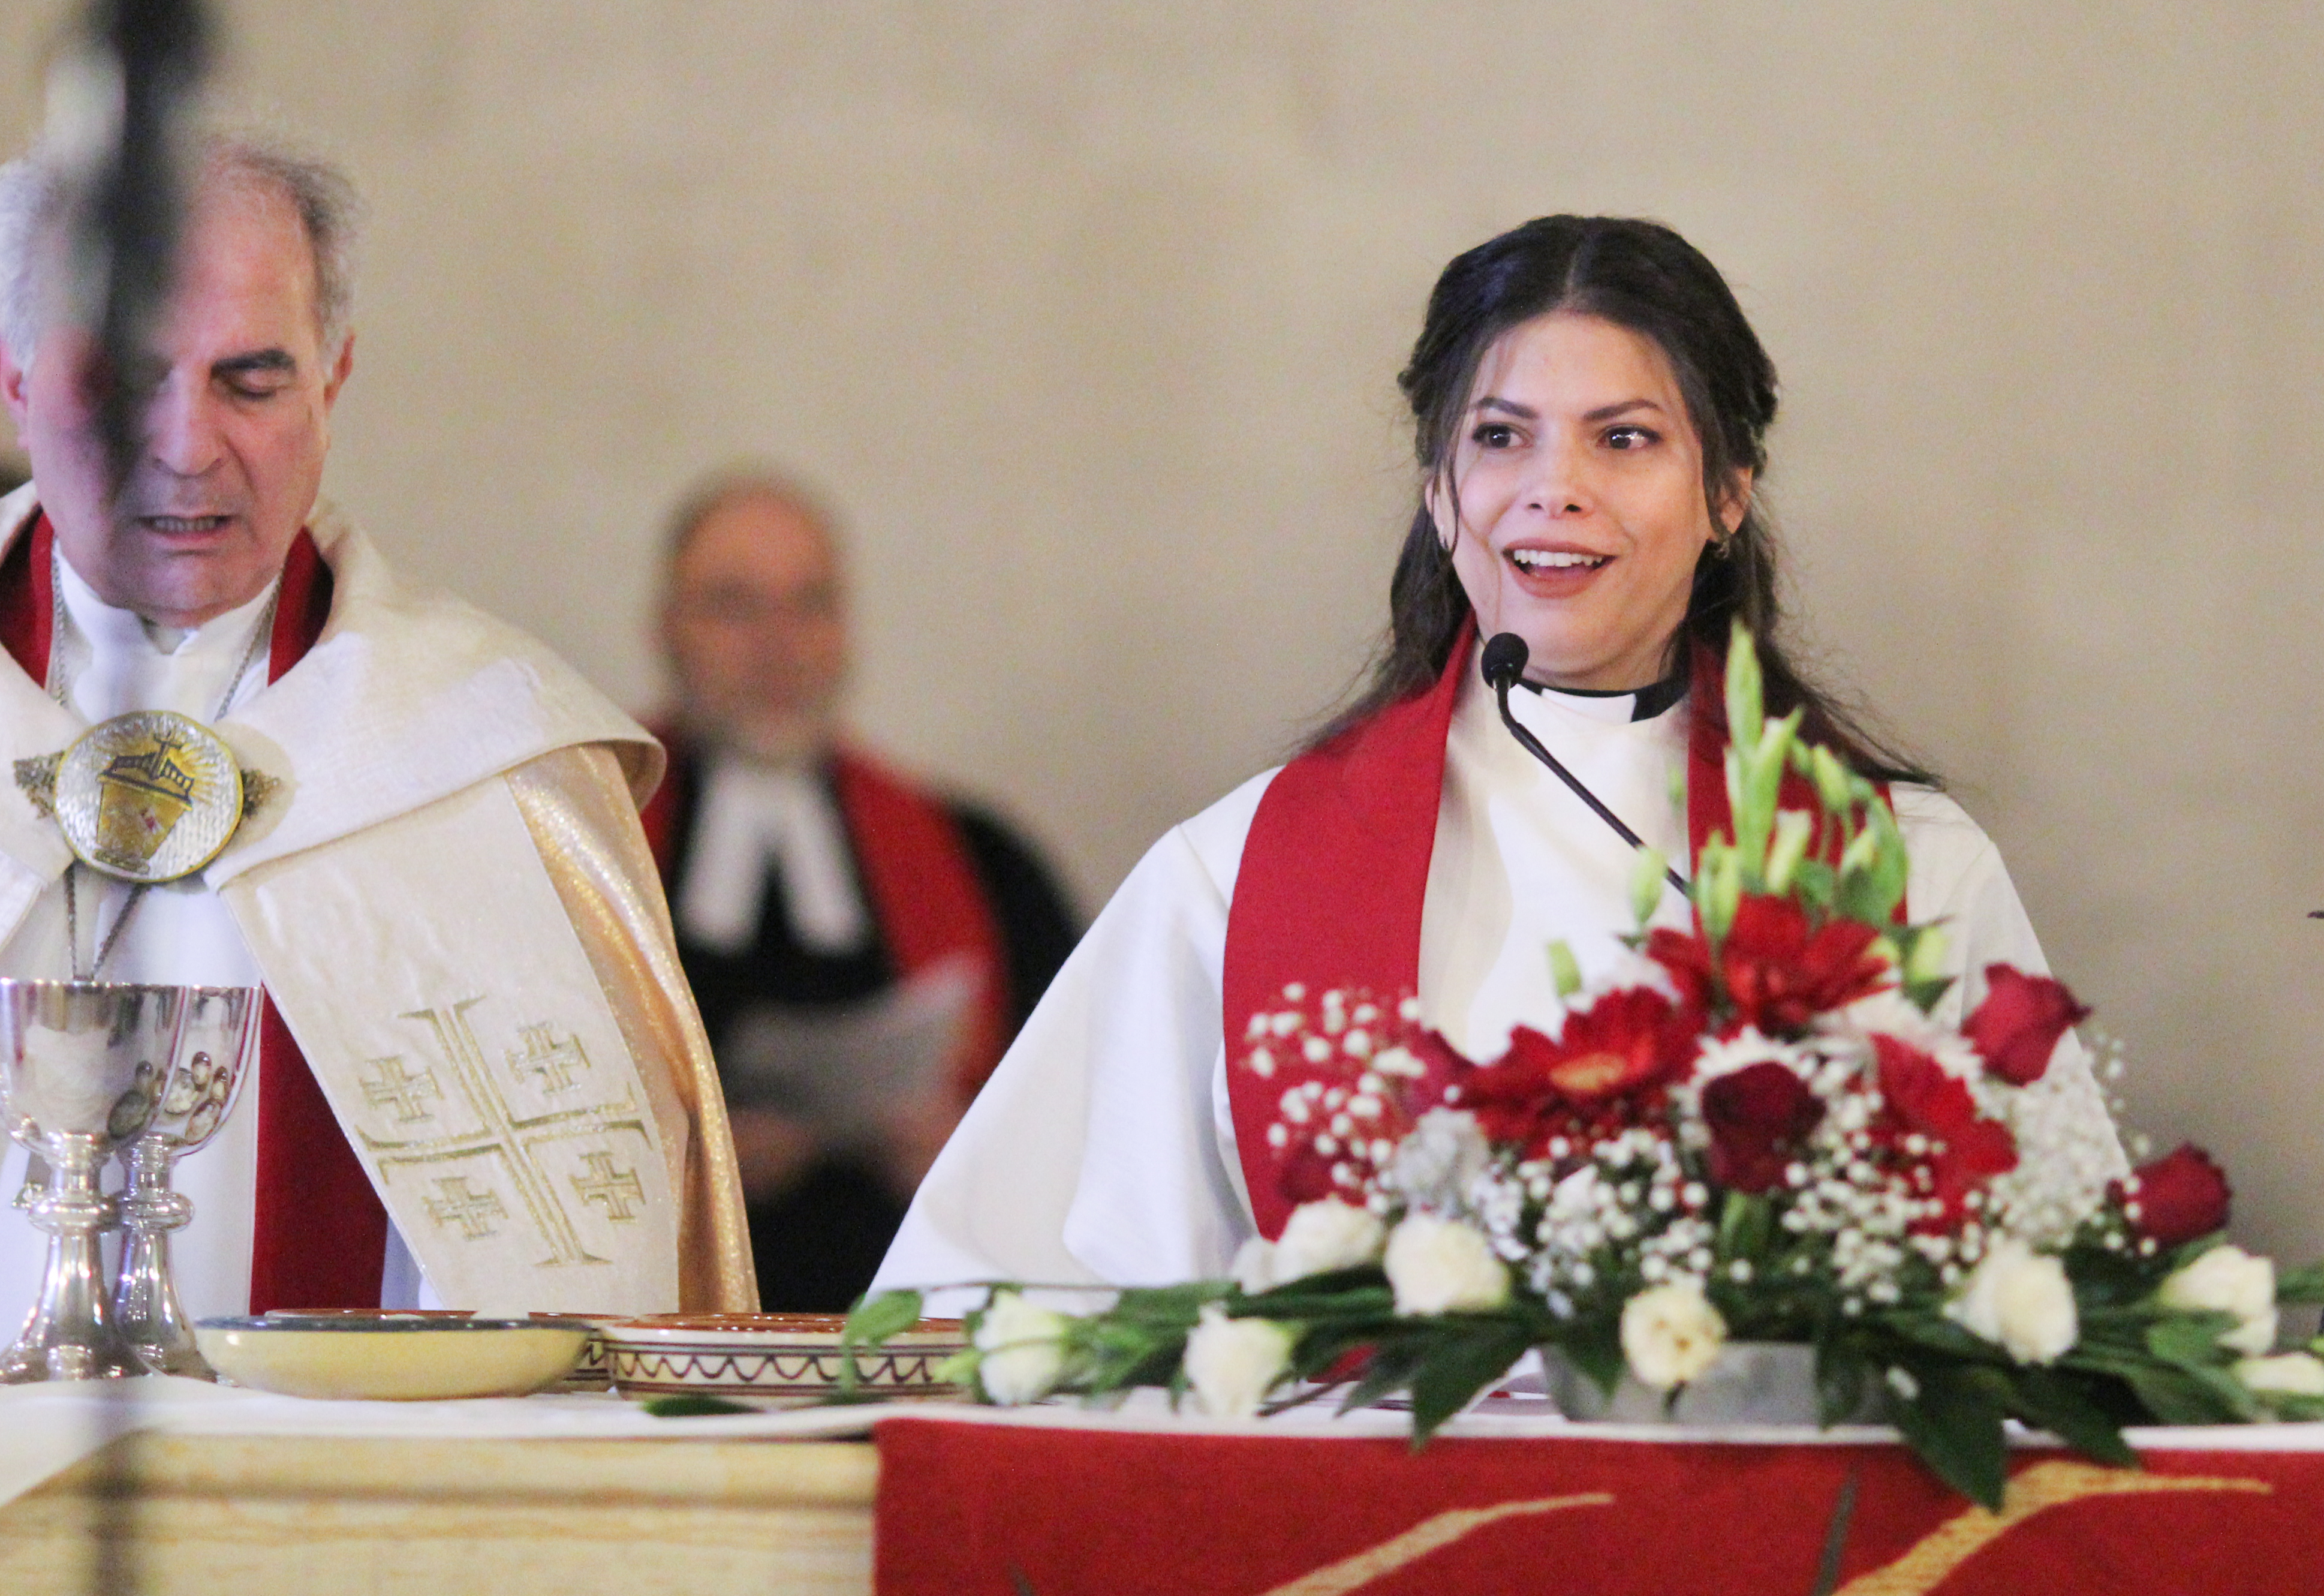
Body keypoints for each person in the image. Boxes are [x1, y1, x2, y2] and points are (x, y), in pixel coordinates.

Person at [874, 215, 2123, 1298]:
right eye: (1501, 437)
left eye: (1623, 439)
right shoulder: (1237, 876)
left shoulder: (1904, 868)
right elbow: (1012, 1298)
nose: (1552, 489)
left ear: (1729, 489)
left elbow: (2063, 1295)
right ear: (1435, 486)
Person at [0, 129, 755, 1347]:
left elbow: (594, 1295)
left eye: (251, 380)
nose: (185, 445)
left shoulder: (488, 758)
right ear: (11, 375)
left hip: (346, 1508)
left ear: (333, 378)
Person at [643, 472, 1079, 1310]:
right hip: (661, 1320)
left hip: (905, 1323)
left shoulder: (979, 855)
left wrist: (972, 1154)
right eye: (734, 605)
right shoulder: (595, 851)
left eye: (811, 605)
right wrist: (688, 1158)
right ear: (668, 630)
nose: (780, 644)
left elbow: (1083, 1101)